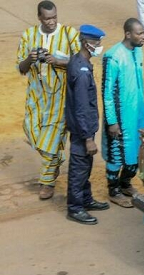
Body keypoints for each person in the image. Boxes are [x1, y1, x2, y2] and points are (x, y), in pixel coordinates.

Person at [16, 1, 80, 200]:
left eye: (54, 17)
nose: (52, 22)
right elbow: (21, 68)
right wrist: (30, 58)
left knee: (52, 139)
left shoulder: (69, 34)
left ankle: (47, 182)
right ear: (39, 18)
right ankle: (56, 158)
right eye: (47, 19)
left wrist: (59, 61)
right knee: (31, 131)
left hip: (60, 98)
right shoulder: (28, 35)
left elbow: (81, 63)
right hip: (36, 97)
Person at [64, 25, 110, 225]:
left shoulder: (77, 60)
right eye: (96, 42)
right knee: (79, 168)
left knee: (85, 166)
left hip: (82, 128)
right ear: (86, 43)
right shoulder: (82, 72)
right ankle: (75, 208)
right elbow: (82, 107)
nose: (99, 46)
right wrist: (89, 138)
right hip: (83, 130)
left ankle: (85, 198)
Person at [101, 18, 144, 208]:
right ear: (128, 34)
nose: (143, 36)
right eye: (139, 33)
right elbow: (107, 93)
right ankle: (114, 190)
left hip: (137, 115)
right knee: (117, 155)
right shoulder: (113, 57)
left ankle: (125, 183)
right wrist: (112, 121)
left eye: (143, 32)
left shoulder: (138, 51)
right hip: (120, 119)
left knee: (136, 153)